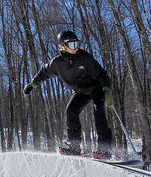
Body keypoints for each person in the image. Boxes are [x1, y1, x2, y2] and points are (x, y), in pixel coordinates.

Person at [23, 30, 115, 158]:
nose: (75, 48)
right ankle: (74, 146)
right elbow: (44, 72)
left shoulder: (84, 57)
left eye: (76, 44)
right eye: (72, 45)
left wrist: (107, 89)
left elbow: (102, 74)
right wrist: (32, 84)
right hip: (80, 92)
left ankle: (105, 149)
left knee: (98, 112)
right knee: (70, 111)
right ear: (63, 46)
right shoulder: (57, 63)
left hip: (96, 88)